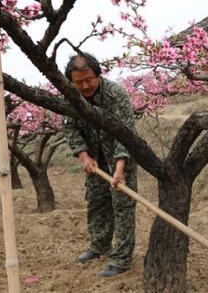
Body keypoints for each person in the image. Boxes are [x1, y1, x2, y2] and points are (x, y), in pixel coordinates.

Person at [62, 53, 137, 278]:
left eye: (89, 80)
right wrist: (84, 156)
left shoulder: (116, 95)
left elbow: (126, 134)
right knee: (97, 202)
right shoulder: (72, 98)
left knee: (122, 206)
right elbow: (70, 128)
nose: (84, 86)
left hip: (120, 156)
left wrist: (120, 168)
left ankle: (122, 258)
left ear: (98, 75)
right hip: (94, 159)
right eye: (78, 82)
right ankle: (99, 245)